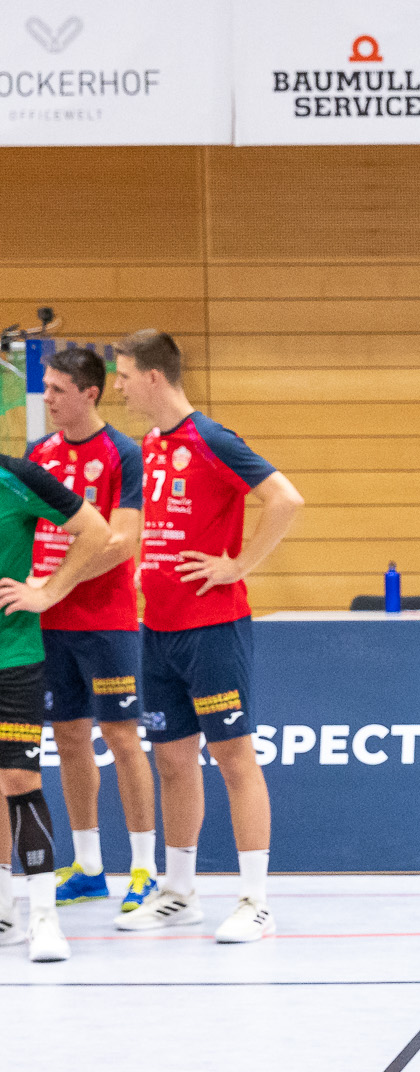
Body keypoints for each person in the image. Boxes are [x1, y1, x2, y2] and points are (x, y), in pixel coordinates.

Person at [109, 330, 304, 943]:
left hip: (213, 628)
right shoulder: (151, 444)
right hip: (157, 627)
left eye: (123, 375)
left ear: (154, 378)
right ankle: (181, 890)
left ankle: (255, 899)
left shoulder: (211, 438)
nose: (118, 386)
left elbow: (285, 499)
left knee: (234, 758)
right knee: (171, 758)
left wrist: (238, 564)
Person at [24, 349, 159, 917]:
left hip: (106, 622)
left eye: (58, 389)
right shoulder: (39, 453)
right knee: (71, 739)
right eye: (46, 388)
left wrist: (55, 583)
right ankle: (87, 867)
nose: (48, 398)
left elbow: (122, 542)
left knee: (123, 739)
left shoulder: (124, 454)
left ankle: (146, 871)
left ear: (90, 394)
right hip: (47, 623)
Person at [0, 447, 112, 962]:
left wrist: (49, 592)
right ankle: (5, 910)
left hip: (13, 656)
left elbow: (94, 529)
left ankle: (44, 916)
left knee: (19, 779)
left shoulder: (14, 475)